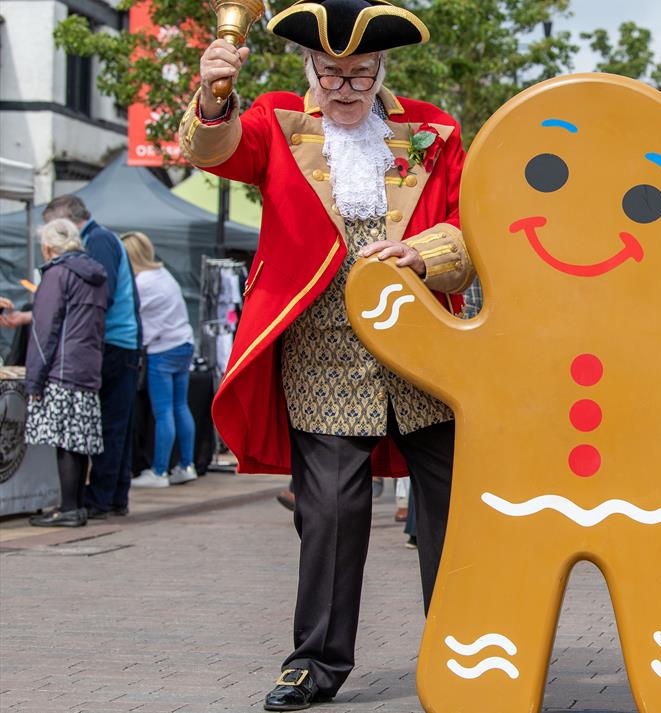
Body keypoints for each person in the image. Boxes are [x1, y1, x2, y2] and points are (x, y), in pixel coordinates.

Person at [180, 1, 472, 708]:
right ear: (309, 69)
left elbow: (471, 224)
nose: (346, 89)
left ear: (382, 70)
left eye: (361, 75)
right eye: (332, 75)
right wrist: (213, 92)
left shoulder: (432, 129)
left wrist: (425, 251)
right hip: (323, 350)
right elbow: (212, 151)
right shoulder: (280, 121)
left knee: (452, 508)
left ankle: (468, 648)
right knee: (332, 512)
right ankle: (313, 663)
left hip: (424, 346)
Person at [6, 196, 143, 519]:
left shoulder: (96, 245)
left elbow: (76, 309)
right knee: (102, 429)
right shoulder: (93, 254)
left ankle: (98, 500)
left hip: (107, 345)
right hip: (104, 346)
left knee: (96, 431)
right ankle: (107, 499)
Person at [22, 220, 108, 527]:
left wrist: (34, 378)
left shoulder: (57, 274)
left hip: (61, 366)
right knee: (78, 437)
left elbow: (45, 329)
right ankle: (75, 506)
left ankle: (68, 508)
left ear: (48, 247)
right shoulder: (95, 274)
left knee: (65, 440)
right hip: (87, 363)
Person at [121, 232, 197, 488]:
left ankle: (159, 471)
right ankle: (186, 465)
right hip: (183, 344)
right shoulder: (164, 275)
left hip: (161, 349)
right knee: (180, 407)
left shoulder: (142, 283)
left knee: (163, 411)